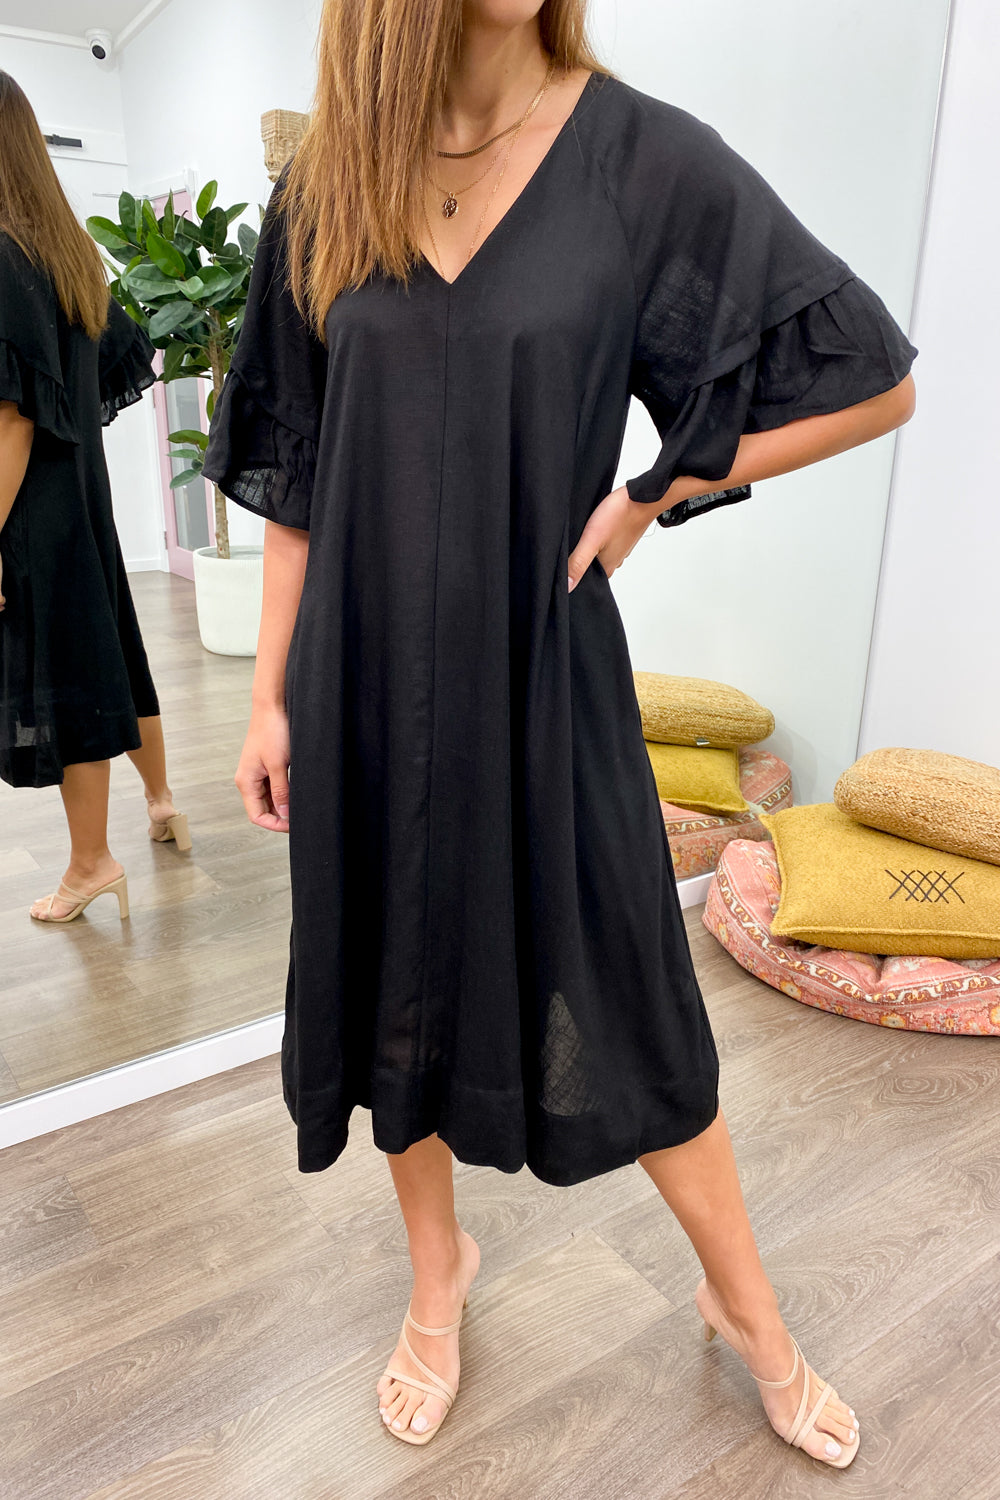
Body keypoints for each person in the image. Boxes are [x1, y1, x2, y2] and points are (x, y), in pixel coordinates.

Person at [202, 0, 917, 1468]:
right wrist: (270, 693)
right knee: (385, 968)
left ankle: (749, 1312)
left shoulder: (642, 161)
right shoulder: (332, 179)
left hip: (544, 667)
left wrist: (660, 490)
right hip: (357, 668)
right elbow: (296, 468)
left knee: (627, 983)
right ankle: (437, 1275)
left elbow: (871, 379)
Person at [0, 71, 191, 924]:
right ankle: (160, 800)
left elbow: (11, 421)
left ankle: (91, 863)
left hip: (35, 512)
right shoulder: (67, 251)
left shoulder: (2, 257)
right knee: (115, 654)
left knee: (69, 680)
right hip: (84, 500)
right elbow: (120, 363)